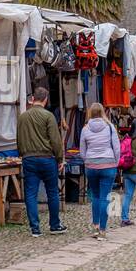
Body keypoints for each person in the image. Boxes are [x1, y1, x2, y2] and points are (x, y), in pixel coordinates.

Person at [17, 87, 66, 236]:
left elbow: (19, 139)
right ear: (45, 99)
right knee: (52, 192)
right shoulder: (48, 116)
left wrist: (23, 154)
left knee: (31, 193)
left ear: (33, 98)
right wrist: (60, 158)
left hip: (29, 158)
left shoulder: (22, 117)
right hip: (47, 158)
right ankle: (55, 225)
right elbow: (55, 140)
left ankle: (35, 228)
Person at [78, 102, 118, 238]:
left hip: (91, 166)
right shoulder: (110, 127)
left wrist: (87, 160)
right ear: (103, 113)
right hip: (108, 164)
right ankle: (102, 229)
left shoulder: (85, 129)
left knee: (95, 196)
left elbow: (82, 150)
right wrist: (115, 162)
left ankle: (95, 226)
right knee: (105, 197)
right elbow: (116, 148)